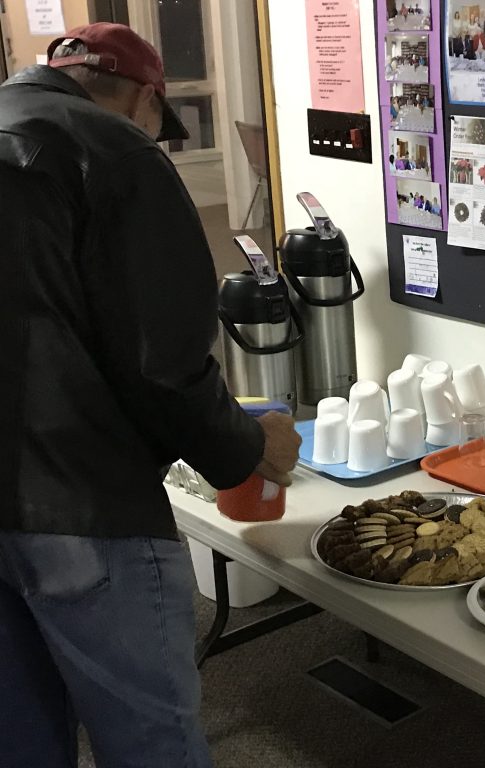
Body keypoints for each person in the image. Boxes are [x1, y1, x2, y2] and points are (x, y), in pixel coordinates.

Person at [0, 23, 301, 768]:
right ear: (145, 96)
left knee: (21, 734)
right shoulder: (113, 151)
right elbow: (162, 363)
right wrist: (245, 448)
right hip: (82, 502)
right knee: (148, 740)